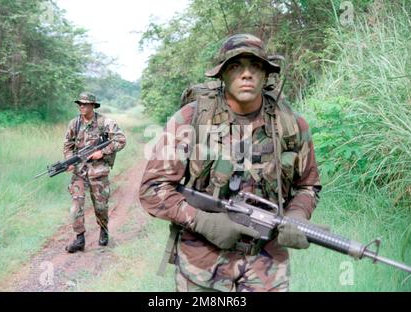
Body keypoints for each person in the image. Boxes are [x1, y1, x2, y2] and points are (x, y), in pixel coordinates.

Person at [139, 34, 321, 291]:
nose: (246, 74)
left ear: (266, 74)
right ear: (222, 74)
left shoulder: (290, 124)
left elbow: (308, 186)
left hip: (266, 266)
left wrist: (297, 215)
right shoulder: (191, 118)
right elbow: (153, 189)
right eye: (236, 66)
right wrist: (203, 222)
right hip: (202, 262)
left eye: (255, 66)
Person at [63, 92, 126, 253]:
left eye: (85, 104)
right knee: (76, 206)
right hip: (79, 172)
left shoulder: (105, 122)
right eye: (80, 104)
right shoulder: (74, 124)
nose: (81, 106)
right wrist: (69, 161)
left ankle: (104, 230)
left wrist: (102, 152)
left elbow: (121, 140)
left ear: (93, 105)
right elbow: (68, 146)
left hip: (98, 172)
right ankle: (80, 239)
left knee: (101, 206)